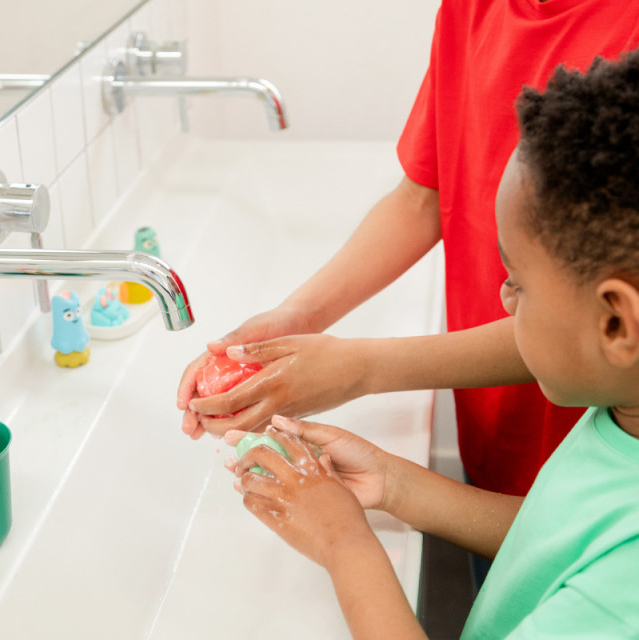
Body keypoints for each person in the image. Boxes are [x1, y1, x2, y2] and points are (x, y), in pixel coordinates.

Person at [226, 51, 639, 638]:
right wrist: (395, 483)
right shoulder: (621, 413)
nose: (504, 299)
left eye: (518, 281)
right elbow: (560, 539)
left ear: (617, 325)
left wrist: (345, 544)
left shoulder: (624, 595)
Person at [178, 1, 639, 500]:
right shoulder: (471, 8)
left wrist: (360, 369)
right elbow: (424, 194)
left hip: (598, 442)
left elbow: (584, 326)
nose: (506, 296)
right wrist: (299, 316)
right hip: (494, 430)